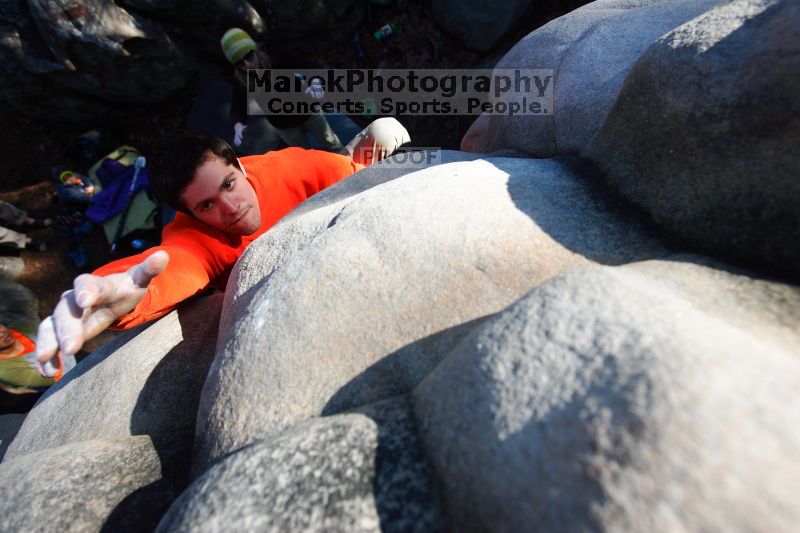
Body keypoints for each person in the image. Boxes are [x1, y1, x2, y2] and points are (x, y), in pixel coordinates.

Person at [34, 119, 410, 377]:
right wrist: (116, 290)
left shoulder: (296, 168)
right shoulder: (195, 236)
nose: (230, 209)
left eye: (229, 185)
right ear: (189, 213)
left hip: (330, 194)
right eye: (206, 205)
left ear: (241, 169)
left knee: (384, 131)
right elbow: (173, 265)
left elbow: (351, 182)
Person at [221, 28, 343, 151]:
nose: (247, 65)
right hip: (283, 125)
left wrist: (315, 82)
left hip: (307, 109)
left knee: (329, 140)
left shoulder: (276, 57)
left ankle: (346, 162)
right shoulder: (242, 79)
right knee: (302, 154)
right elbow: (238, 105)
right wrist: (238, 124)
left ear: (255, 50)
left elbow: (307, 66)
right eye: (240, 63)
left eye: (248, 56)